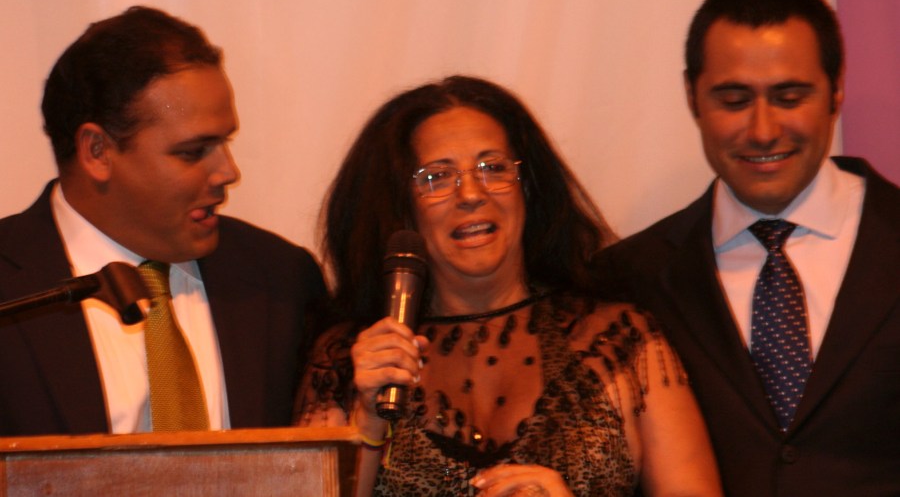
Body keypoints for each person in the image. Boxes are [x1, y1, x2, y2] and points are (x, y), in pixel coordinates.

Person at [295, 76, 721, 496]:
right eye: (437, 177)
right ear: (399, 206)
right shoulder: (348, 360)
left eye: (493, 168)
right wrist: (369, 419)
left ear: (528, 189)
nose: (470, 194)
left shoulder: (620, 340)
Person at [596, 0, 900, 496]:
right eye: (734, 100)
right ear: (692, 97)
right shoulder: (626, 281)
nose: (762, 130)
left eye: (789, 97)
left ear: (836, 91)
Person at [0, 6, 327, 436]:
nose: (229, 172)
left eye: (225, 143)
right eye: (193, 152)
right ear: (97, 151)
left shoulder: (282, 279)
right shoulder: (10, 292)